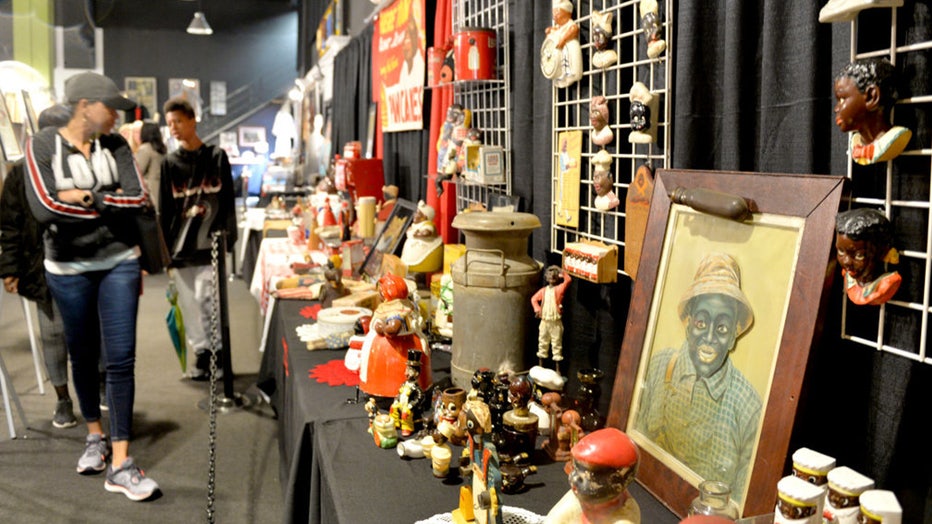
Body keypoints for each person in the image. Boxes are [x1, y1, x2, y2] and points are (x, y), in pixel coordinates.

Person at [24, 71, 159, 500]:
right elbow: (44, 207)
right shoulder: (42, 144)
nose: (117, 115)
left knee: (120, 359)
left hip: (119, 261)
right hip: (67, 268)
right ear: (84, 105)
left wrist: (86, 197)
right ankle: (94, 436)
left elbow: (138, 199)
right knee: (81, 355)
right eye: (110, 107)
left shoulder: (116, 144)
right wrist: (106, 202)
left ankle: (121, 462)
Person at [634, 252, 760, 501]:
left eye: (722, 328)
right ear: (688, 323)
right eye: (702, 323)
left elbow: (743, 501)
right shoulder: (658, 365)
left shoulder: (748, 408)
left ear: (734, 334)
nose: (710, 337)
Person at [1, 104, 77, 429]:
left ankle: (99, 385)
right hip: (41, 268)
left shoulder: (80, 167)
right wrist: (10, 268)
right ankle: (63, 399)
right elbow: (10, 224)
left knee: (92, 333)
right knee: (53, 335)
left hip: (82, 263)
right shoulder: (20, 173)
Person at [158, 97, 238, 381]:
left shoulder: (216, 157)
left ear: (192, 120)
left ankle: (218, 354)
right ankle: (202, 354)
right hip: (180, 246)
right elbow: (165, 207)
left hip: (210, 244)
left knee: (209, 301)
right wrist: (164, 251)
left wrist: (229, 238)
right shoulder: (169, 163)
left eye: (179, 121)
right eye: (170, 123)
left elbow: (227, 200)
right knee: (190, 305)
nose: (174, 128)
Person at [545, 428, 641, 524]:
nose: (574, 478)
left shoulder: (624, 517)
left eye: (587, 476)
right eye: (575, 469)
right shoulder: (579, 497)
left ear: (616, 482)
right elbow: (553, 520)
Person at [833, 57, 912, 165]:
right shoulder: (856, 143)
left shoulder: (896, 138)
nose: (836, 109)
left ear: (872, 97)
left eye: (842, 99)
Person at [835, 208, 902, 306]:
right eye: (841, 251)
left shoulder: (886, 284)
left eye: (859, 255)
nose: (846, 262)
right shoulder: (848, 276)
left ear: (882, 252)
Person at [531, 265, 572, 367]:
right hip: (544, 321)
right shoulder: (543, 290)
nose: (551, 278)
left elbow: (568, 280)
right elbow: (534, 299)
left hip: (555, 322)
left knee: (557, 344)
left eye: (554, 276)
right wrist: (537, 310)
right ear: (546, 278)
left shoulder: (559, 289)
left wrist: (560, 271)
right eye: (549, 276)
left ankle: (557, 369)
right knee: (542, 343)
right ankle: (540, 366)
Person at [543, 0, 583, 89]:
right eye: (553, 14)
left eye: (557, 13)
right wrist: (550, 31)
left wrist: (564, 39)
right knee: (561, 68)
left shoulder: (570, 25)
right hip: (558, 57)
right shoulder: (558, 27)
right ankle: (561, 78)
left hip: (569, 51)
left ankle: (569, 76)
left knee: (569, 66)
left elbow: (574, 29)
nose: (554, 16)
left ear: (567, 13)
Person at [134, 121, 166, 212]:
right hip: (162, 192)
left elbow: (137, 171)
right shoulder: (162, 149)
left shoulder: (145, 149)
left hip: (151, 195)